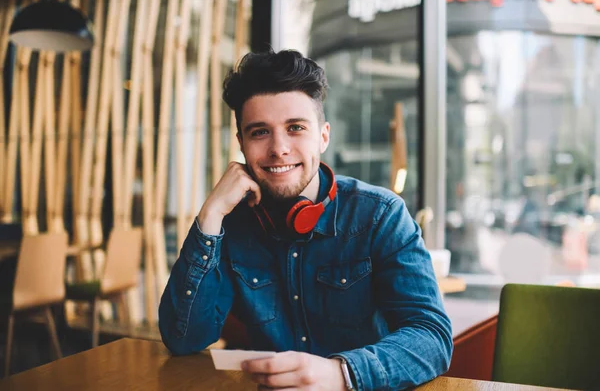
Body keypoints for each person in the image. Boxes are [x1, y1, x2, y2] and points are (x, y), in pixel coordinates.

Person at [158, 49, 453, 391]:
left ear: (323, 136)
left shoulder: (381, 215)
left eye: (295, 128)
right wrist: (210, 216)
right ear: (241, 143)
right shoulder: (230, 224)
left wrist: (342, 374)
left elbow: (431, 337)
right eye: (259, 132)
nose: (279, 148)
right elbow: (183, 340)